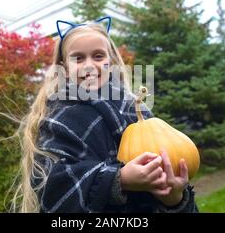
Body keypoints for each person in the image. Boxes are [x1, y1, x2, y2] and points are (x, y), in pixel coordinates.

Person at [14, 16, 198, 213]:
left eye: (98, 56)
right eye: (78, 58)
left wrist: (173, 198)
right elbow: (53, 186)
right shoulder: (57, 118)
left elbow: (166, 160)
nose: (89, 65)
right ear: (64, 67)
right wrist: (120, 179)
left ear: (110, 61)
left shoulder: (134, 108)